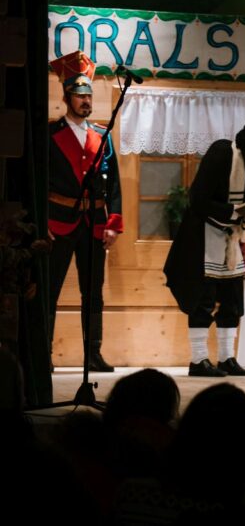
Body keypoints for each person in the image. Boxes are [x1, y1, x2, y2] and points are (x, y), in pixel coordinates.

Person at [164, 121, 245, 377]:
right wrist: (235, 212)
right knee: (204, 300)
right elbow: (198, 199)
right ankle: (198, 359)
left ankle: (226, 357)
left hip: (232, 238)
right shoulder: (222, 153)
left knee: (232, 300)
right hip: (203, 235)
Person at [47, 51, 123, 372]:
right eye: (80, 96)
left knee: (93, 293)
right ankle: (44, 353)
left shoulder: (102, 135)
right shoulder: (49, 134)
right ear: (67, 98)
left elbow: (114, 183)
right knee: (49, 290)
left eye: (89, 95)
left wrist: (113, 222)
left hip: (94, 223)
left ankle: (93, 354)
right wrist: (41, 221)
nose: (86, 101)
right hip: (57, 222)